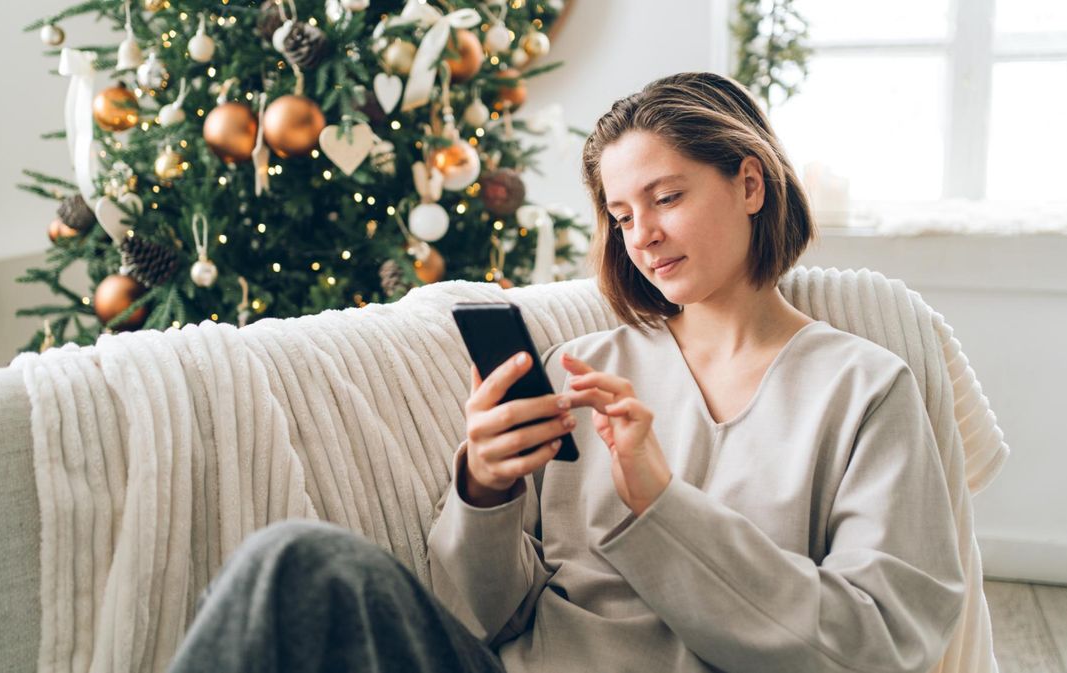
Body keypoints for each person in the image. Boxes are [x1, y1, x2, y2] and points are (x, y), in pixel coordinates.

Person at [168, 72, 966, 673]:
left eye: (667, 197)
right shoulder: (585, 368)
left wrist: (661, 505)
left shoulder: (866, 389)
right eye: (622, 216)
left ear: (749, 182)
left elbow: (879, 642)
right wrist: (484, 491)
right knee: (293, 565)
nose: (643, 236)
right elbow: (486, 613)